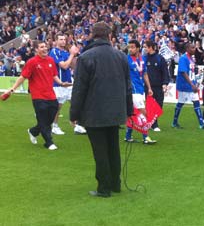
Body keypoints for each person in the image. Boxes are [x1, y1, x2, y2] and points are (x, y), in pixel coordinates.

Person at [70, 22, 133, 198]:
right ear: (109, 36)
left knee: (100, 151)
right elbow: (128, 86)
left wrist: (74, 114)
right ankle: (115, 183)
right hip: (115, 111)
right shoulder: (120, 56)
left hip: (94, 112)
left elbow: (79, 89)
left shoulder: (86, 57)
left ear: (93, 35)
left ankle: (104, 187)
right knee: (113, 148)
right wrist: (129, 110)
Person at [6, 40, 72, 151]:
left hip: (51, 95)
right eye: (42, 47)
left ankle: (33, 131)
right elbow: (23, 77)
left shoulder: (50, 60)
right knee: (42, 119)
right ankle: (49, 142)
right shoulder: (32, 62)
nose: (45, 48)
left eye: (45, 46)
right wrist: (12, 88)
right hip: (38, 96)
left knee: (50, 118)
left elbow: (54, 75)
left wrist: (61, 83)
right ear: (36, 49)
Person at [49, 33, 86, 135]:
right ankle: (55, 126)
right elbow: (64, 66)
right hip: (59, 84)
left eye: (64, 39)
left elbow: (73, 66)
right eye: (61, 39)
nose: (63, 41)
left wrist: (76, 54)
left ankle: (76, 125)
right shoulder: (54, 52)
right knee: (58, 107)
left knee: (76, 104)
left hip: (69, 83)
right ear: (56, 41)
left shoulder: (65, 53)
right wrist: (72, 54)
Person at [125, 40, 156, 144]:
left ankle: (128, 136)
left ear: (138, 48)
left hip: (140, 89)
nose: (130, 49)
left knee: (133, 113)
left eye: (132, 47)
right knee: (144, 113)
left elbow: (145, 74)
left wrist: (149, 88)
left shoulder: (142, 59)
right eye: (129, 47)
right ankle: (145, 137)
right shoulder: (126, 59)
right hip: (132, 90)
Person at [171, 42, 204, 130]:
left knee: (195, 101)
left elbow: (191, 72)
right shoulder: (183, 58)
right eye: (192, 48)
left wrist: (195, 81)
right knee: (181, 102)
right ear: (187, 49)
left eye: (194, 47)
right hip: (184, 84)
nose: (194, 49)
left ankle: (201, 123)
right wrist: (192, 84)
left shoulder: (191, 58)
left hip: (190, 84)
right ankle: (175, 122)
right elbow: (183, 72)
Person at [144, 40, 170, 132]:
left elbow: (165, 72)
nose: (145, 49)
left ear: (151, 47)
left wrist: (165, 83)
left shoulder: (160, 58)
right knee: (150, 106)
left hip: (158, 86)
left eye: (146, 47)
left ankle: (152, 122)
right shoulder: (144, 58)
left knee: (159, 106)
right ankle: (154, 125)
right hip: (148, 87)